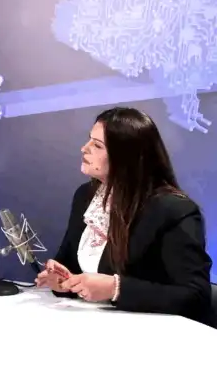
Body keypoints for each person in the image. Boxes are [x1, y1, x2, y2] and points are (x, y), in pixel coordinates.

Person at [35, 107, 215, 327]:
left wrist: (116, 289)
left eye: (97, 145)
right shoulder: (85, 196)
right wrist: (62, 282)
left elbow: (196, 297)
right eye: (89, 140)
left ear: (125, 158)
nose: (84, 148)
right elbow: (71, 267)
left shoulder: (174, 210)